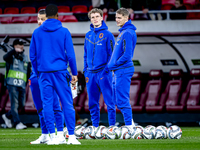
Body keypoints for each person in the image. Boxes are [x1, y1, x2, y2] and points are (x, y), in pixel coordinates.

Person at [29, 4, 80, 145]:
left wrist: (37, 71)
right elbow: (70, 55)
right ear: (57, 15)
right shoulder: (64, 31)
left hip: (44, 74)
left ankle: (52, 136)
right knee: (67, 103)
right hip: (60, 73)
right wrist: (74, 73)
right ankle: (71, 137)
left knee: (47, 105)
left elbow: (32, 56)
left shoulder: (37, 32)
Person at [29, 9, 65, 145]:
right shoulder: (36, 34)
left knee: (54, 106)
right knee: (40, 107)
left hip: (49, 75)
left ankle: (59, 134)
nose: (40, 22)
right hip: (36, 76)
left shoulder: (55, 34)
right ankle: (45, 134)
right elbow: (32, 57)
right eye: (38, 19)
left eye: (42, 19)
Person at [83, 8, 116, 128]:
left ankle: (112, 126)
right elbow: (85, 54)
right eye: (93, 17)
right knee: (92, 103)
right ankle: (95, 127)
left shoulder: (108, 35)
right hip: (90, 74)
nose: (95, 19)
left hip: (103, 73)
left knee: (109, 102)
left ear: (102, 18)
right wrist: (85, 70)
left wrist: (107, 70)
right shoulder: (88, 35)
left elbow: (112, 56)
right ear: (90, 19)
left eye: (97, 16)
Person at [107, 8, 137, 133]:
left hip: (123, 70)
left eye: (119, 17)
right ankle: (132, 125)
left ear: (126, 18)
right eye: (116, 17)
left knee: (122, 99)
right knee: (118, 100)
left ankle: (130, 127)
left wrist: (114, 65)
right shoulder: (123, 32)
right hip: (119, 71)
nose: (116, 20)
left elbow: (127, 55)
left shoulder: (128, 33)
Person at [2, 39, 31, 130]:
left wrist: (26, 82)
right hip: (12, 84)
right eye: (19, 45)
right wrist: (14, 51)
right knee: (14, 105)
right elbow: (5, 57)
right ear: (14, 46)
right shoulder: (11, 56)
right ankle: (17, 123)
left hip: (22, 85)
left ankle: (7, 116)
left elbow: (28, 71)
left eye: (22, 45)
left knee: (21, 105)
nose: (21, 46)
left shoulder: (25, 57)